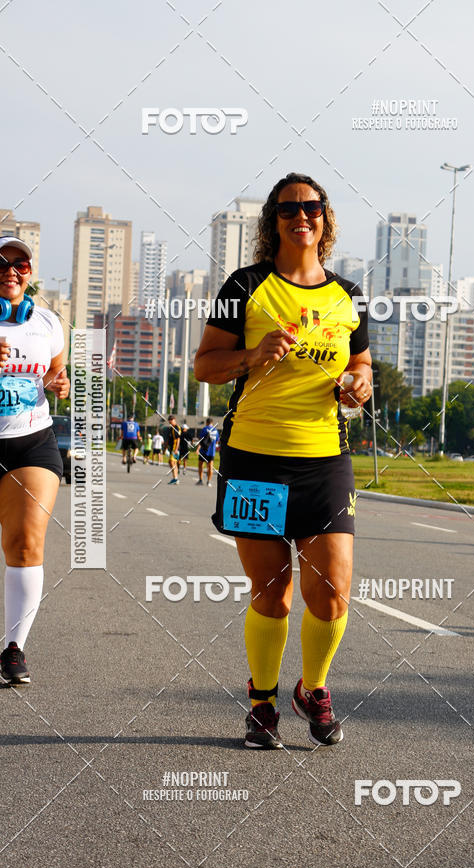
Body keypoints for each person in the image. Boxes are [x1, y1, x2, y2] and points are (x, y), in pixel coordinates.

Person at [194, 173, 371, 748]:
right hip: (255, 459)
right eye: (289, 208)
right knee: (273, 591)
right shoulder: (245, 285)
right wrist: (252, 355)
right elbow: (204, 365)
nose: (302, 217)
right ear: (273, 220)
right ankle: (262, 703)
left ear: (325, 217)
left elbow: (363, 365)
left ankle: (312, 689)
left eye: (311, 207)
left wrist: (358, 384)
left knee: (333, 592)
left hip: (325, 459)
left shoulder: (348, 295)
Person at [0, 237, 70, 684]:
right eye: (2, 263)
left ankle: (13, 648)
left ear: (29, 273)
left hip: (32, 442)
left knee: (26, 543)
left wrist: (59, 384)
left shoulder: (47, 322)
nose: (11, 270)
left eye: (20, 264)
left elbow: (56, 375)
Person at [196, 417, 219, 486]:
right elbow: (217, 441)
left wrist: (197, 449)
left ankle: (200, 480)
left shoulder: (204, 429)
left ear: (206, 422)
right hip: (211, 452)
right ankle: (208, 481)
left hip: (203, 450)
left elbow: (201, 440)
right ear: (212, 423)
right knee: (210, 466)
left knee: (200, 465)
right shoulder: (216, 431)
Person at [165, 414, 181, 484]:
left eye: (171, 420)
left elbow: (178, 439)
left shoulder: (176, 428)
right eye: (169, 420)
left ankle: (175, 478)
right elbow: (168, 439)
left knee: (171, 462)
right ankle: (176, 478)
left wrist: (176, 449)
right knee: (172, 462)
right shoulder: (171, 428)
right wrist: (165, 447)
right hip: (172, 448)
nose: (170, 421)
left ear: (174, 420)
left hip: (175, 448)